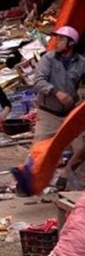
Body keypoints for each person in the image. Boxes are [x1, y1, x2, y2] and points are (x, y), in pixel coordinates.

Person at [33, 26, 85, 188]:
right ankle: (33, 183)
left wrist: (79, 98)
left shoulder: (82, 63)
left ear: (70, 43)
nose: (56, 42)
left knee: (81, 149)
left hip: (70, 114)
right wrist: (56, 92)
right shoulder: (48, 59)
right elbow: (38, 81)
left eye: (61, 39)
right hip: (49, 113)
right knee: (40, 150)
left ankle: (74, 186)